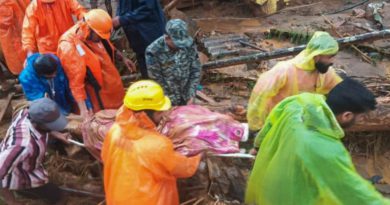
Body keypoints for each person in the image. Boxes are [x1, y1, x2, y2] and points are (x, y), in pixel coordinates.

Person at [245, 78, 390, 205]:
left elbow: (269, 124)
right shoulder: (325, 148)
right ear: (347, 115)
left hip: (266, 183)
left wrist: (257, 147)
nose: (360, 120)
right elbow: (352, 191)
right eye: (361, 117)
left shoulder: (299, 102)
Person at [102, 80, 201, 205]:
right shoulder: (158, 145)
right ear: (145, 113)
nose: (162, 115)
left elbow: (105, 158)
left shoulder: (114, 131)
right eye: (160, 111)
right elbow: (183, 169)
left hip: (116, 199)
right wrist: (198, 154)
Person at [247, 31, 342, 132]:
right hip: (277, 121)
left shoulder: (324, 73)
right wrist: (257, 125)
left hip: (302, 122)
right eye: (329, 57)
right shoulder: (284, 71)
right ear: (317, 55)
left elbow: (339, 88)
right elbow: (260, 95)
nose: (332, 62)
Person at [57, 9, 135, 118]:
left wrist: (123, 58)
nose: (101, 39)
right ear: (89, 29)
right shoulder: (69, 46)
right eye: (99, 36)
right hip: (97, 96)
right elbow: (76, 83)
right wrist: (84, 110)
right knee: (108, 123)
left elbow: (107, 45)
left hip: (114, 87)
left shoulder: (96, 32)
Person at [0, 98, 70, 205]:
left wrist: (59, 135)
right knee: (58, 196)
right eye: (51, 124)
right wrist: (11, 201)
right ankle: (21, 190)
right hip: (18, 173)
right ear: (39, 124)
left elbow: (45, 127)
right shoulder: (23, 145)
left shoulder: (26, 112)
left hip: (22, 160)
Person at [146, 19, 201, 106]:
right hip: (166, 99)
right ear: (167, 37)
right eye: (177, 43)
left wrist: (191, 95)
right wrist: (167, 103)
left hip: (187, 96)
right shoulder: (153, 51)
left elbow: (195, 70)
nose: (181, 46)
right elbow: (157, 81)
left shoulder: (189, 44)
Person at [113, 0, 166, 78]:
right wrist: (116, 21)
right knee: (147, 76)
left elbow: (147, 8)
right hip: (138, 42)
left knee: (160, 75)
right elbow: (122, 8)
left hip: (151, 37)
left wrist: (122, 19)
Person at [22, 0, 86, 56]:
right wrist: (29, 51)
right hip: (49, 51)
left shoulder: (33, 7)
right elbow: (27, 31)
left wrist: (85, 20)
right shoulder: (34, 7)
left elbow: (79, 11)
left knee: (79, 63)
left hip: (69, 43)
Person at [0, 0, 29, 75]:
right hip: (26, 32)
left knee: (23, 65)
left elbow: (4, 24)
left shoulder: (4, 4)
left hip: (15, 39)